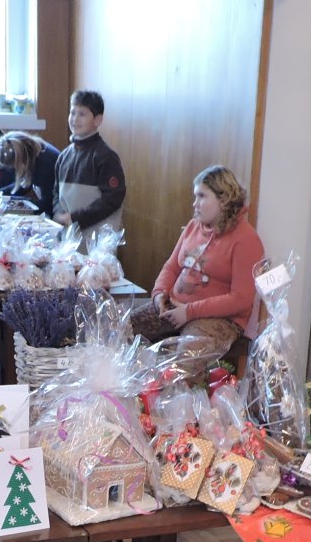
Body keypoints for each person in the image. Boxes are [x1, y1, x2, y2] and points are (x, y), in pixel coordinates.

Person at [147, 164, 265, 377]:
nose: (195, 203)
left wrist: (189, 312)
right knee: (124, 331)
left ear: (224, 199)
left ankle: (168, 398)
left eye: (201, 196)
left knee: (182, 365)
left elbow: (241, 299)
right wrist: (158, 295)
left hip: (220, 320)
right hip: (175, 308)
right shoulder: (193, 226)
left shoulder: (246, 239)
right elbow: (171, 267)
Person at [53, 89, 125, 232]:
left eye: (82, 114)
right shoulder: (63, 156)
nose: (75, 119)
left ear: (98, 120)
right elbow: (56, 192)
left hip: (97, 238)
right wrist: (59, 213)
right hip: (69, 236)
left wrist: (76, 218)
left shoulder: (105, 156)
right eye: (72, 112)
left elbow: (113, 199)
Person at [0, 130, 61, 218]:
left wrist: (16, 203)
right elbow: (24, 184)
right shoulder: (33, 152)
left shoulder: (45, 165)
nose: (15, 170)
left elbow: (47, 205)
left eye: (15, 167)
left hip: (60, 211)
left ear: (21, 160)